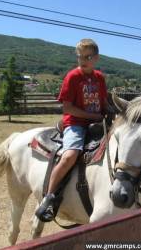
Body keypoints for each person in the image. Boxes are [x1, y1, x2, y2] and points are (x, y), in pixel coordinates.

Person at [35, 38, 108, 222]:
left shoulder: (100, 78)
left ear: (96, 58)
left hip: (98, 121)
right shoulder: (72, 77)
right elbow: (67, 108)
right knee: (70, 155)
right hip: (76, 123)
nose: (83, 60)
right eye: (80, 56)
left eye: (88, 56)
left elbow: (104, 102)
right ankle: (48, 197)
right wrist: (93, 116)